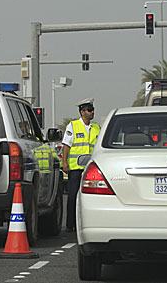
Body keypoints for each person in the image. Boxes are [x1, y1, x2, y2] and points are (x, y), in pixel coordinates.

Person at [61, 98, 100, 232]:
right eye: (89, 110)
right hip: (76, 168)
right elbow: (66, 145)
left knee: (92, 197)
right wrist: (64, 162)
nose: (92, 112)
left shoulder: (96, 128)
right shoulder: (73, 126)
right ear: (82, 112)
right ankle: (70, 225)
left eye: (93, 110)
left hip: (91, 169)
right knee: (72, 196)